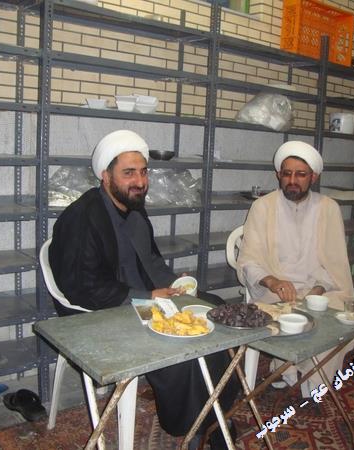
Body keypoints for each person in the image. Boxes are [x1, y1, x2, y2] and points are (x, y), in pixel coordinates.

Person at [49, 130, 238, 449]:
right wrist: (147, 296)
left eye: (143, 171)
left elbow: (150, 259)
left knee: (217, 310)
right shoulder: (81, 218)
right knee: (180, 345)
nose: (139, 181)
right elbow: (82, 288)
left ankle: (219, 411)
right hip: (102, 309)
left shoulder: (132, 207)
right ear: (105, 176)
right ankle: (192, 425)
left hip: (142, 296)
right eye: (128, 173)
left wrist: (173, 285)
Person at [237, 140, 354, 393]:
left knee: (341, 322)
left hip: (320, 290)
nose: (292, 180)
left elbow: (335, 263)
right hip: (275, 292)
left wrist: (317, 290)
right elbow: (249, 261)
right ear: (278, 175)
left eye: (300, 174)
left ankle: (312, 379)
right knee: (288, 315)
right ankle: (289, 369)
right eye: (287, 173)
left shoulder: (329, 208)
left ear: (313, 177)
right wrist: (273, 281)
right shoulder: (262, 207)